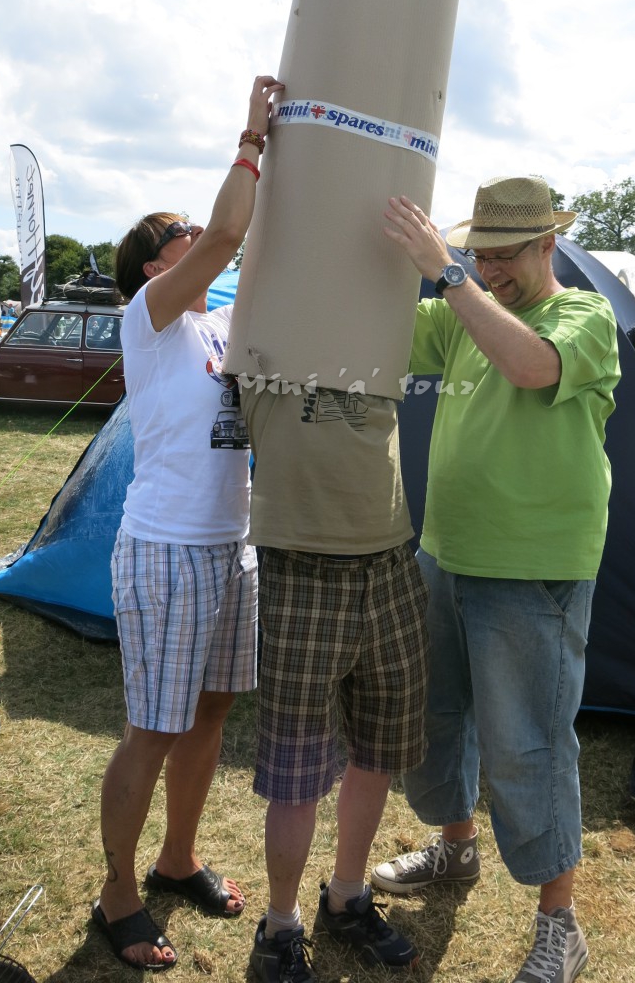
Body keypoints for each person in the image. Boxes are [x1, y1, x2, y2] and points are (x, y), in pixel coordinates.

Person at [374, 176, 621, 983]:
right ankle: (455, 848)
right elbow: (378, 330)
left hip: (533, 566)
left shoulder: (582, 316)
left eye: (503, 255)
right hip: (444, 552)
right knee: (435, 719)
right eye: (478, 256)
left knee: (528, 745)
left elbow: (527, 366)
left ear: (548, 244)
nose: (488, 270)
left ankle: (559, 923)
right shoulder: (461, 311)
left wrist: (447, 274)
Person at [92, 74, 284, 972]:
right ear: (153, 267)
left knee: (209, 713)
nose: (199, 235)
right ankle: (116, 894)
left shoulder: (216, 326)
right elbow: (232, 235)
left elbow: (263, 253)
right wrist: (252, 139)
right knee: (154, 728)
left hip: (229, 548)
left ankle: (176, 859)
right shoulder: (151, 320)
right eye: (181, 234)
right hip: (166, 548)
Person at [239, 356, 430, 979]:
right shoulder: (262, 326)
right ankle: (280, 925)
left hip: (391, 559)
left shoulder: (389, 322)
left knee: (378, 749)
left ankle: (347, 897)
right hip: (301, 567)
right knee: (295, 771)